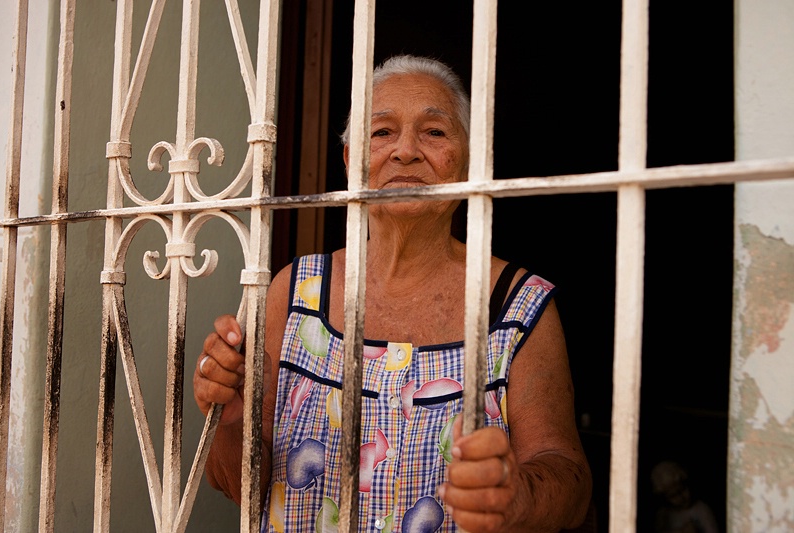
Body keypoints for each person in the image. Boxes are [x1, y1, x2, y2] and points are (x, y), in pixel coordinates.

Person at [194, 54, 592, 532]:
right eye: (381, 132)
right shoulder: (295, 291)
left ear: (469, 162)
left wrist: (515, 493)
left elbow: (567, 476)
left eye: (435, 132)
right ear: (350, 162)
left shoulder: (518, 305)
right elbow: (240, 489)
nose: (405, 151)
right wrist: (231, 419)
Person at [651, 460, 718, 533]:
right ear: (665, 498)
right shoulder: (663, 514)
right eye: (673, 496)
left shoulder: (701, 509)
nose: (681, 498)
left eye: (682, 490)